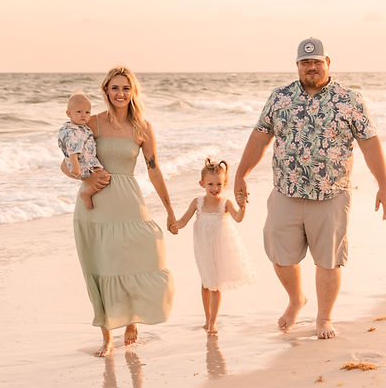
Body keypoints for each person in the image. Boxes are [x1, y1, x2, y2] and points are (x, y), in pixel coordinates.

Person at [233, 37, 386, 340]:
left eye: (316, 61)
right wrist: (241, 174)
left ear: (328, 63)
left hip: (331, 194)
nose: (311, 67)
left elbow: (370, 144)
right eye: (305, 62)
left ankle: (324, 318)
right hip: (286, 192)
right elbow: (259, 138)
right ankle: (296, 300)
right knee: (280, 256)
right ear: (297, 65)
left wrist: (384, 186)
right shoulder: (280, 97)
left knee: (328, 260)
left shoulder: (350, 99)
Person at [62, 67, 176, 357]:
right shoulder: (93, 124)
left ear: (133, 91)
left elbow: (154, 171)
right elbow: (66, 162)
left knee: (141, 257)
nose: (120, 93)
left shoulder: (142, 128)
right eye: (114, 88)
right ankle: (107, 337)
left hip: (128, 201)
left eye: (126, 88)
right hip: (96, 205)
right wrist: (85, 179)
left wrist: (169, 210)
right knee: (102, 268)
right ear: (106, 91)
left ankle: (132, 320)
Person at [169, 159, 254, 335]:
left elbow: (238, 218)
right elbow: (183, 221)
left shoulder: (225, 203)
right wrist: (174, 225)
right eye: (210, 184)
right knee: (206, 283)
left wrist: (243, 206)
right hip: (202, 248)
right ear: (202, 184)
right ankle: (207, 318)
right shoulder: (197, 202)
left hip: (220, 247)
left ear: (224, 184)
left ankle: (213, 322)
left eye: (219, 184)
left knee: (215, 284)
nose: (215, 188)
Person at [58, 92, 104, 209]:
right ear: (69, 113)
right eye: (79, 112)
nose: (84, 115)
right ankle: (86, 194)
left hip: (89, 160)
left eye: (87, 112)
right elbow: (72, 150)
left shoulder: (82, 128)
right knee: (104, 177)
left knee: (103, 175)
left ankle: (87, 193)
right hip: (80, 162)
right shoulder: (73, 131)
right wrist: (75, 167)